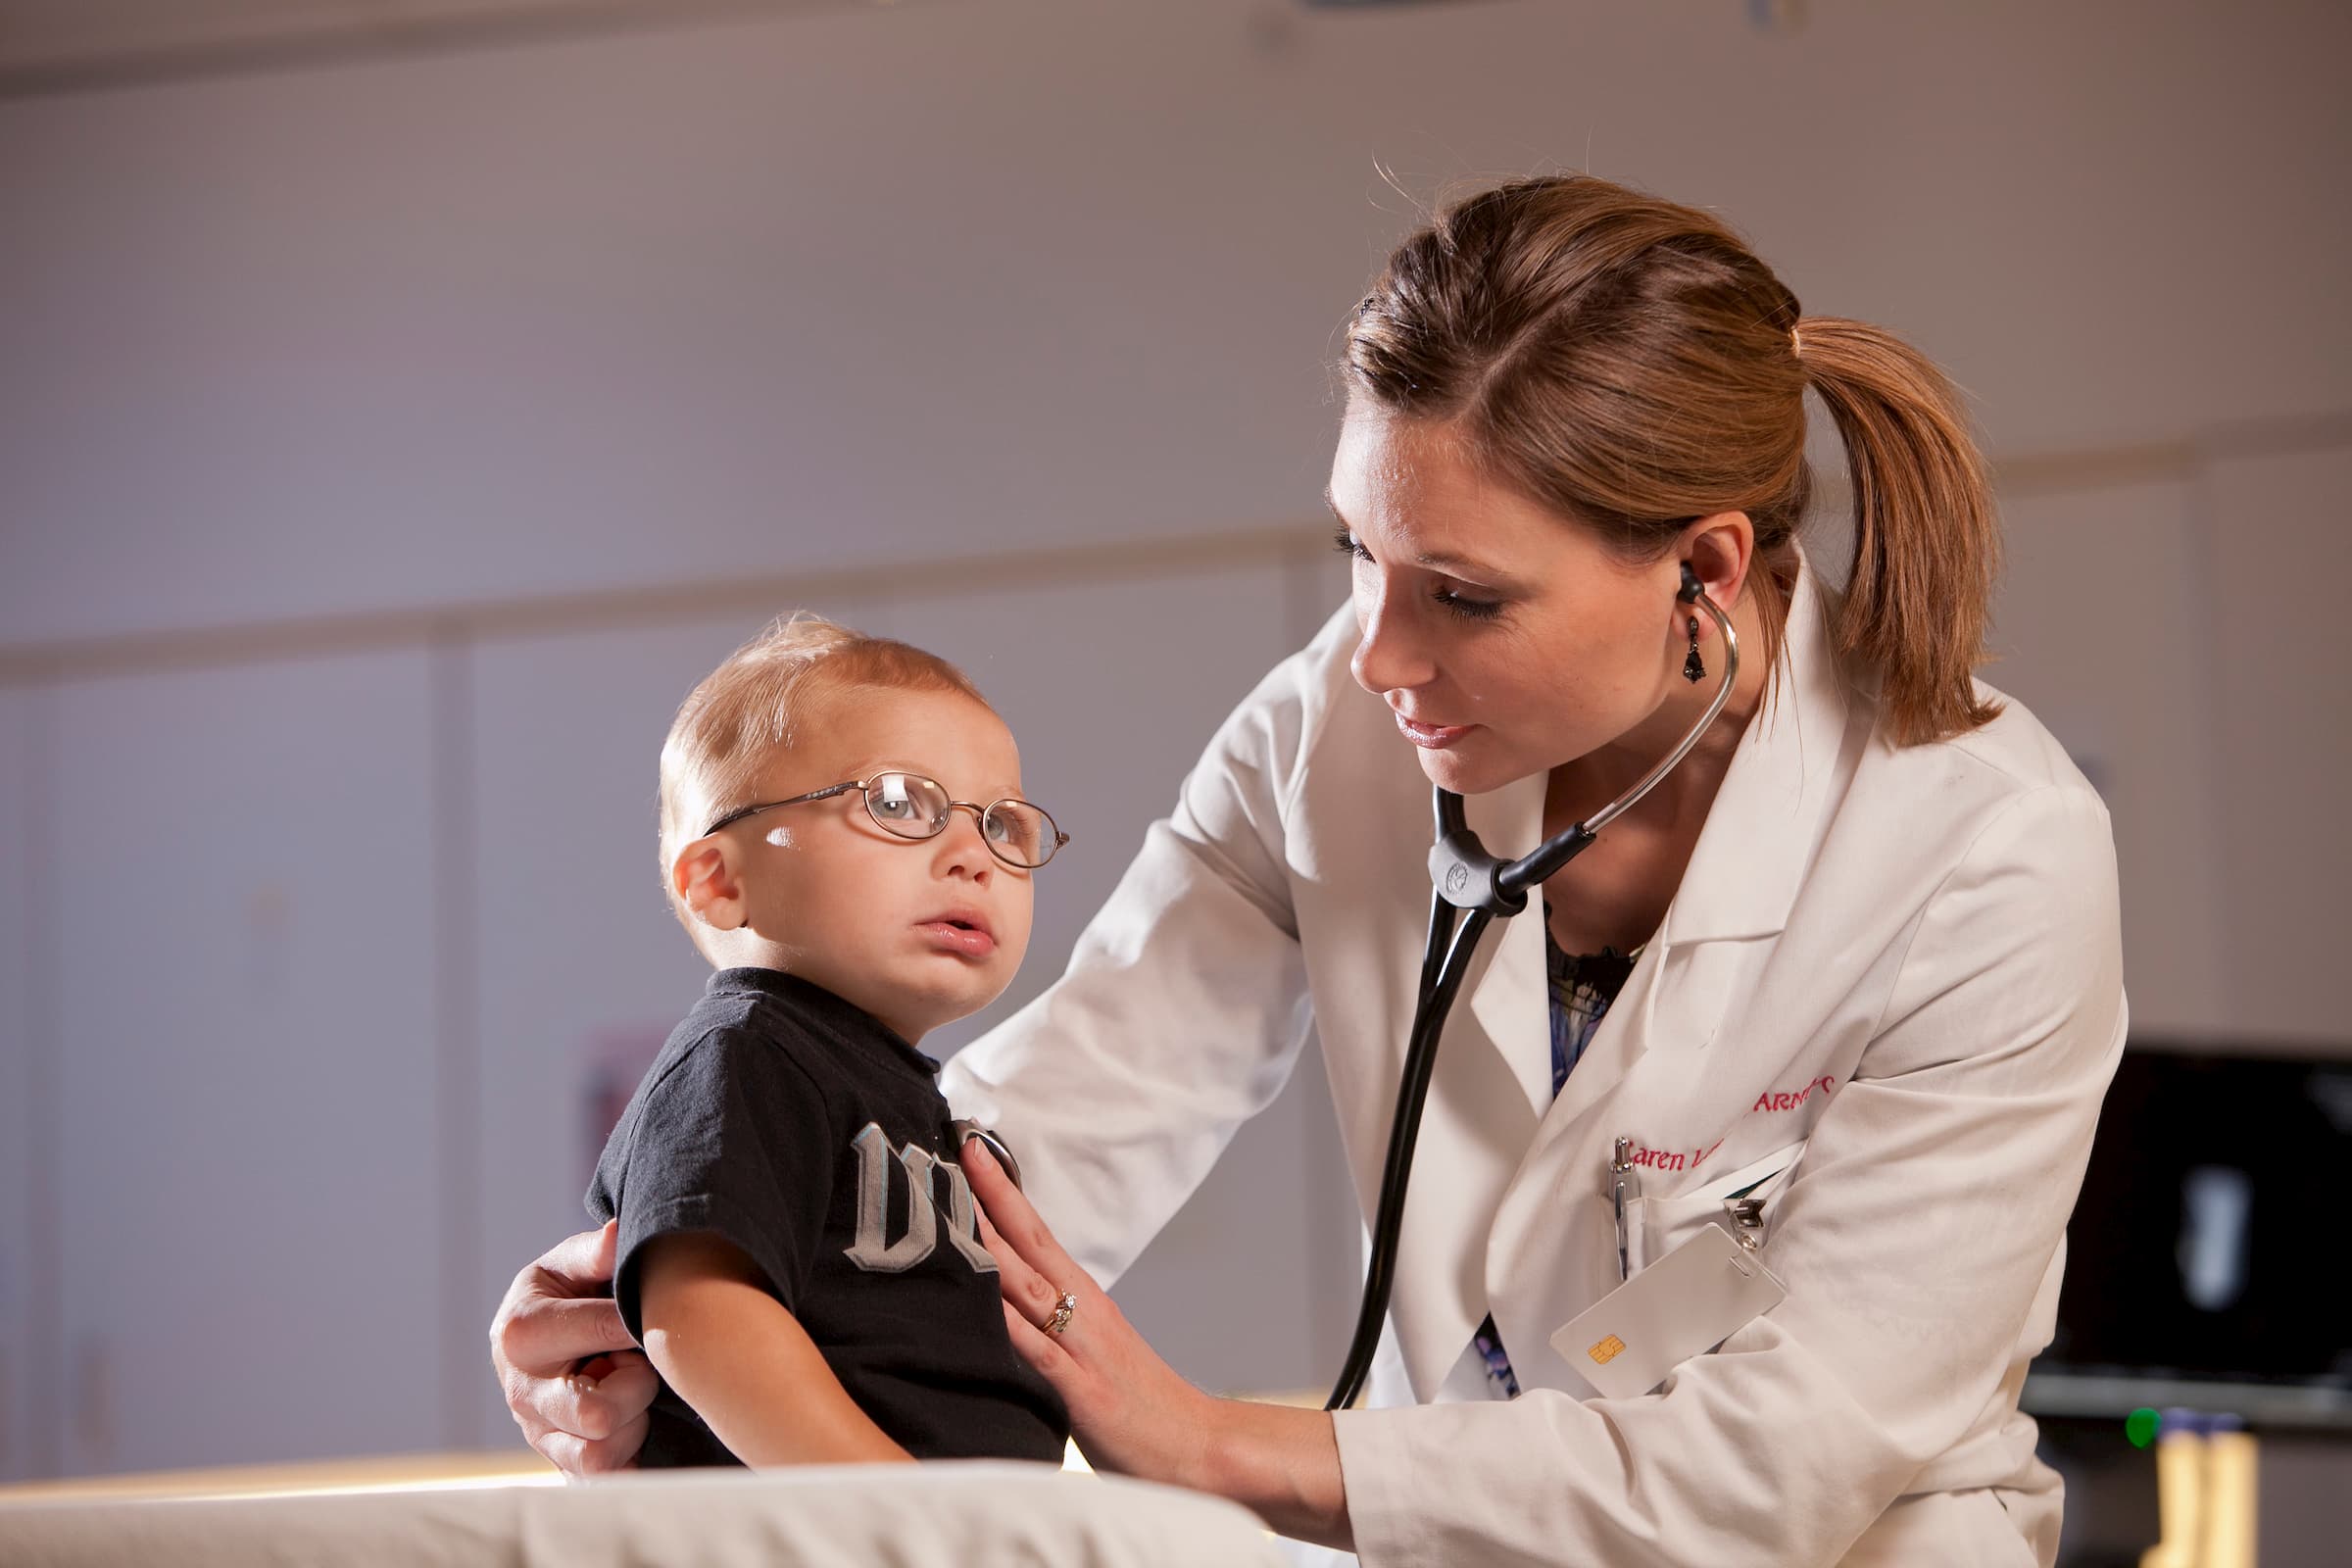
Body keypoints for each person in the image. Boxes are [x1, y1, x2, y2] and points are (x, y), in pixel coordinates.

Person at [491, 173, 2125, 1566]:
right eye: (1360, 554)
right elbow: (1039, 1146)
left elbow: (1793, 1454)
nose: (1374, 659)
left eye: (1463, 597)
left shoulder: (1982, 853)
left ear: (1701, 570)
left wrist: (1222, 1449)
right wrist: (691, 1270)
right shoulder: (1332, 740)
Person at [577, 614, 1071, 1468]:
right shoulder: (747, 1057)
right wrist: (896, 1515)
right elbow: (697, 1312)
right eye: (897, 802)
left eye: (1003, 824)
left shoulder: (900, 1097)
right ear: (721, 881)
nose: (974, 856)